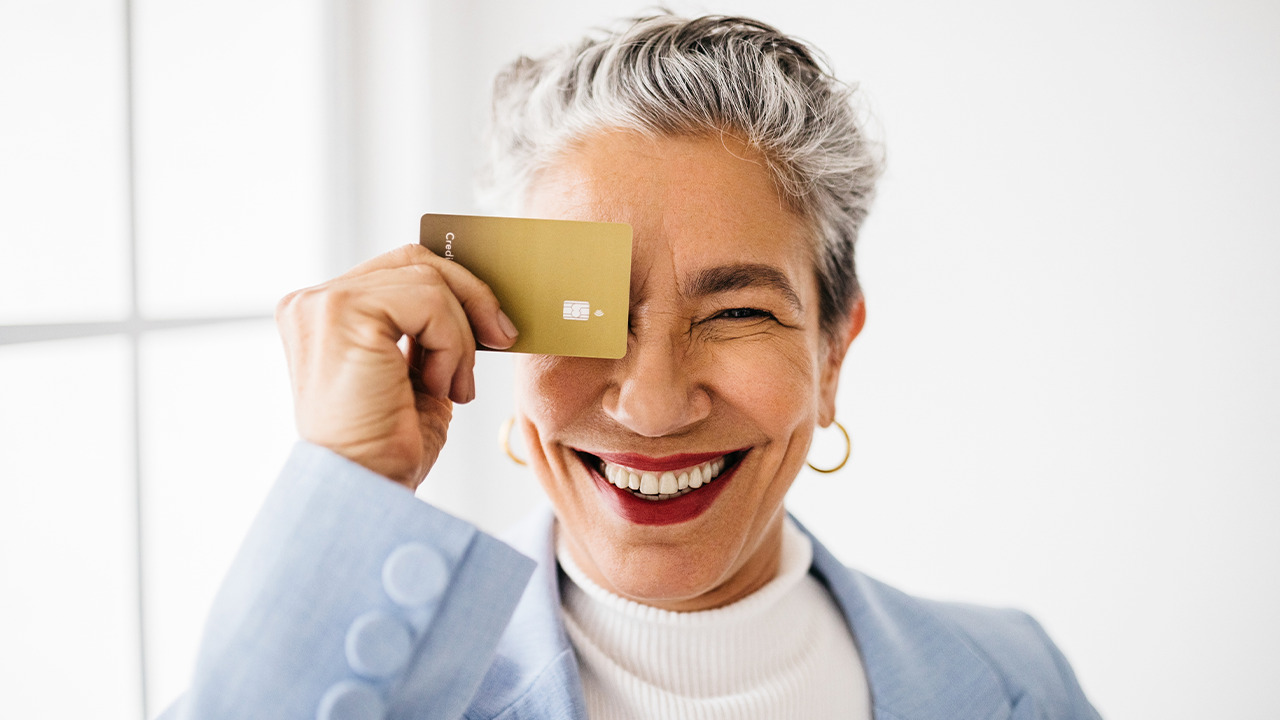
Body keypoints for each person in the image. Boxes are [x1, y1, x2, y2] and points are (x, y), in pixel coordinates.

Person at [164, 13, 1101, 720]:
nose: (652, 406)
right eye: (585, 314)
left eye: (737, 312)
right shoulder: (371, 691)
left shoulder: (1018, 678)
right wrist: (348, 481)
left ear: (832, 352)